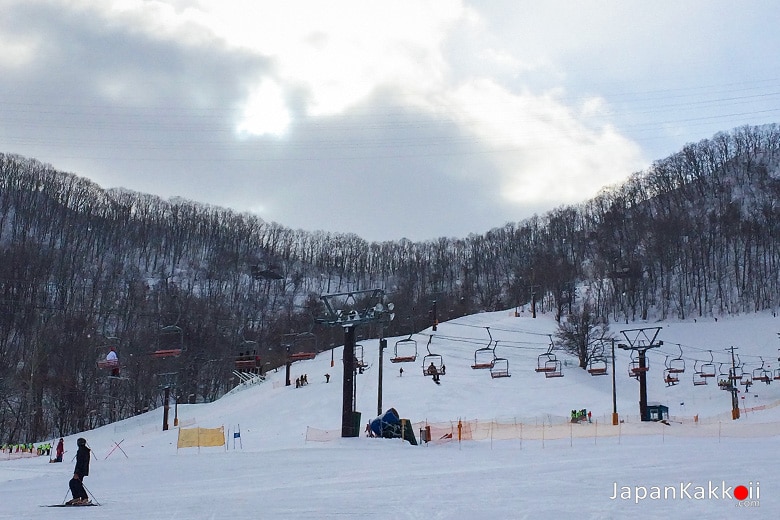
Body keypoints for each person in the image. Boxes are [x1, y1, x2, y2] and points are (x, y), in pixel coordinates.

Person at [66, 438, 90, 505]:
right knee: (73, 482)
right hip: (82, 470)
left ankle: (84, 498)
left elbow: (80, 463)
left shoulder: (82, 451)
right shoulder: (84, 450)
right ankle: (76, 497)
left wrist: (77, 472)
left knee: (76, 483)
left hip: (80, 470)